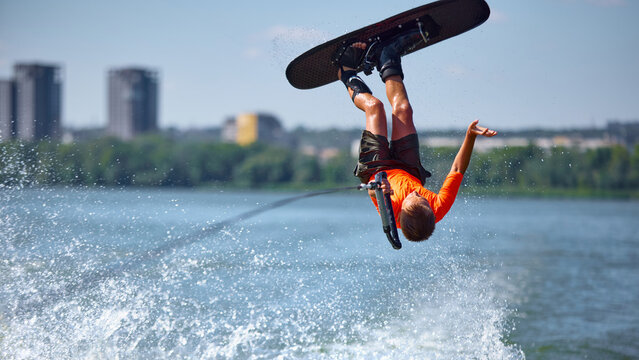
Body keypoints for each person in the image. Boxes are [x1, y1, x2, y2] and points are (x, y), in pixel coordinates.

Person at [336, 32, 497, 241]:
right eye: (423, 199)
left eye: (415, 199)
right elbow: (457, 169)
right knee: (404, 110)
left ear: (402, 214)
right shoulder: (437, 207)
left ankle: (345, 71)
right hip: (407, 168)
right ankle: (387, 55)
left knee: (375, 107)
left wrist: (380, 188)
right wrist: (470, 136)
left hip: (378, 169)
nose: (418, 194)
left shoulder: (391, 212)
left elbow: (372, 193)